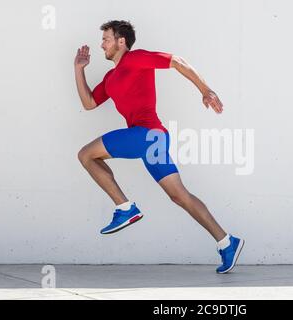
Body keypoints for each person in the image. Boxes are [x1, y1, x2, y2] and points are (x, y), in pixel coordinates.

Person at [74, 20, 244, 273]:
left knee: (86, 155)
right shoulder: (110, 77)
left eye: (106, 39)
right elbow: (89, 103)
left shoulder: (136, 58)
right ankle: (226, 241)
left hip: (146, 135)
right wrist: (79, 69)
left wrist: (205, 90)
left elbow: (177, 61)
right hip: (154, 140)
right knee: (179, 195)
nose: (102, 45)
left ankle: (125, 207)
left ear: (122, 42)